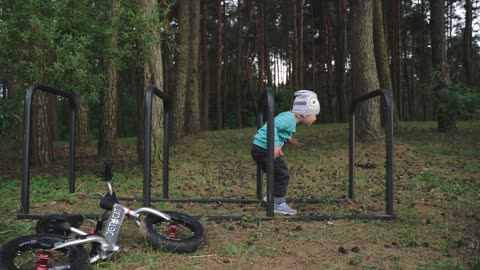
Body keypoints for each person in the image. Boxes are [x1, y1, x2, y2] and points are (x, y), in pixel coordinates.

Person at [251, 90, 320, 215]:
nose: (315, 118)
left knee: (277, 173)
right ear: (305, 114)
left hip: (259, 148)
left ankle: (271, 198)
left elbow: (279, 128)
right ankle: (277, 203)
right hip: (264, 149)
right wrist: (276, 144)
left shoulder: (289, 117)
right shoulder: (289, 119)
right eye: (314, 114)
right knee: (282, 174)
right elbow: (272, 125)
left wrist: (287, 139)